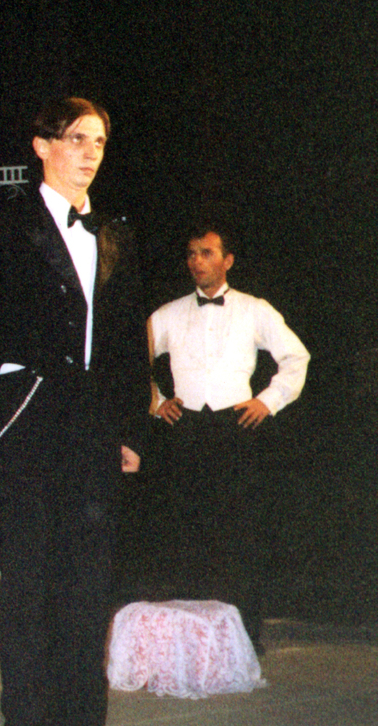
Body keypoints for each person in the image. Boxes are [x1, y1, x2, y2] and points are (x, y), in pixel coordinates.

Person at [0, 97, 150, 726]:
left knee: (88, 580)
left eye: (99, 142)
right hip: (27, 416)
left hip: (93, 422)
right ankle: (28, 720)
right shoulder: (2, 223)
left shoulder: (115, 232)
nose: (91, 153)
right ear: (42, 146)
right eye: (77, 139)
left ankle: (80, 718)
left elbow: (128, 340)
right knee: (29, 580)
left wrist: (131, 428)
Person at [148, 225, 309, 651]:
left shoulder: (254, 310)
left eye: (206, 252)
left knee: (240, 536)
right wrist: (155, 400)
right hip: (185, 431)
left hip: (236, 429)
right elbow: (131, 357)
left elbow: (296, 356)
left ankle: (243, 642)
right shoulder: (167, 314)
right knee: (186, 535)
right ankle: (190, 644)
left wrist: (268, 401)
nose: (196, 261)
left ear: (228, 260)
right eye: (191, 253)